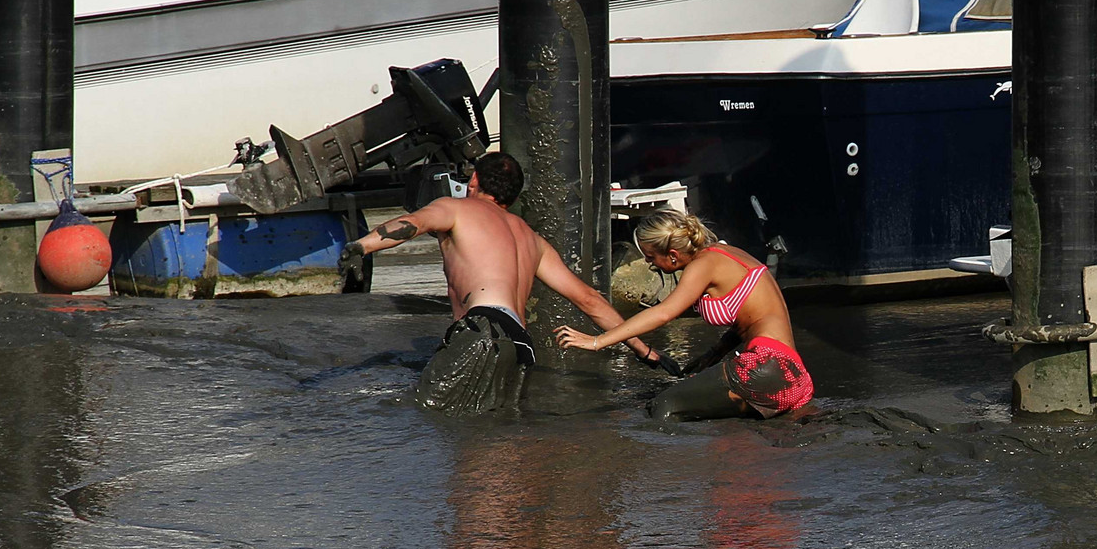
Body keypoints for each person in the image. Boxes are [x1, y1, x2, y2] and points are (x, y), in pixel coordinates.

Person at [340, 151, 673, 412]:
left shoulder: (456, 209)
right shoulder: (531, 238)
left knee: (424, 413)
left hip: (482, 328)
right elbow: (588, 299)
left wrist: (361, 247)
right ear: (512, 197)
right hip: (521, 346)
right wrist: (647, 354)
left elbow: (411, 224)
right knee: (495, 434)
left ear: (473, 181)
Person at [554, 208, 814, 420]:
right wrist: (711, 356)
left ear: (673, 255)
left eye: (650, 257)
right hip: (794, 377)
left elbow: (663, 313)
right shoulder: (729, 254)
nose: (648, 263)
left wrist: (597, 341)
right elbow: (750, 319)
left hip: (765, 368)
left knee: (662, 407)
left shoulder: (703, 265)